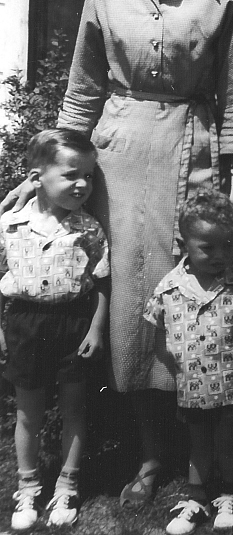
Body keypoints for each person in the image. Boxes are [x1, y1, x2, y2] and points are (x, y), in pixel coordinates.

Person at [0, 0, 233, 506]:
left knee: (188, 303)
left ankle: (194, 453)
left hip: (191, 156)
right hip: (117, 162)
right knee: (128, 312)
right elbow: (81, 93)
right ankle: (147, 454)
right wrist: (45, 181)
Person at [144, 189, 233, 534]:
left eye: (228, 246)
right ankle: (196, 498)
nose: (220, 256)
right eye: (208, 248)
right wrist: (176, 372)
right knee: (198, 445)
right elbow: (160, 335)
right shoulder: (169, 288)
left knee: (228, 443)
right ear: (184, 242)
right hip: (192, 386)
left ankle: (229, 495)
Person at [0, 129, 110, 530]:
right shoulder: (10, 225)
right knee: (28, 413)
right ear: (36, 177)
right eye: (71, 174)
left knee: (74, 408)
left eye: (90, 176)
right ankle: (27, 488)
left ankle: (67, 484)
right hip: (24, 323)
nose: (83, 184)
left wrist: (96, 330)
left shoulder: (90, 228)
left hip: (73, 323)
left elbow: (101, 284)